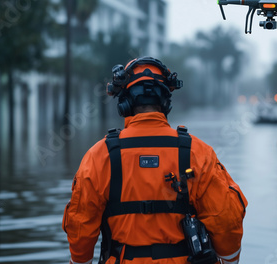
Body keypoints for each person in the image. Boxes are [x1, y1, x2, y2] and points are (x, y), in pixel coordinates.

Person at [62, 57, 247, 264]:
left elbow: (80, 227)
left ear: (124, 104)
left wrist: (80, 261)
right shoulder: (198, 152)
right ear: (166, 103)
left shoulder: (99, 155)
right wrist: (229, 261)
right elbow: (226, 222)